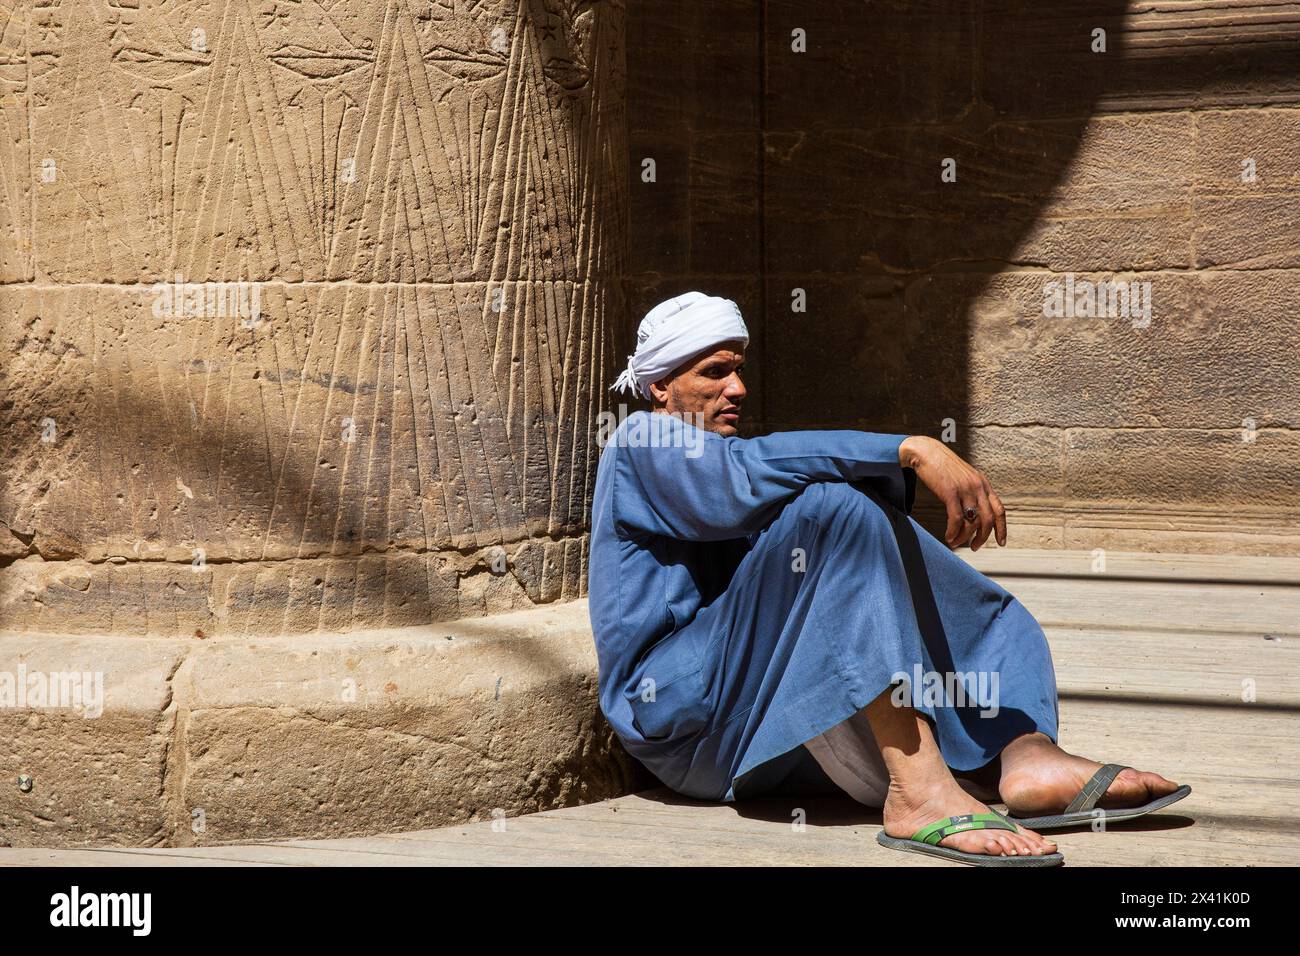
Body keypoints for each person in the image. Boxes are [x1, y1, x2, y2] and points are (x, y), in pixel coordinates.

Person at [587, 291, 1188, 865]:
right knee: (833, 510)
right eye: (714, 373)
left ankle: (1024, 753)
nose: (737, 388)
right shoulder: (641, 439)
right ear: (661, 386)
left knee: (889, 540)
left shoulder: (723, 454)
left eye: (739, 370)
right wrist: (913, 448)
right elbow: (735, 484)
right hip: (682, 721)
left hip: (756, 719)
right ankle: (920, 790)